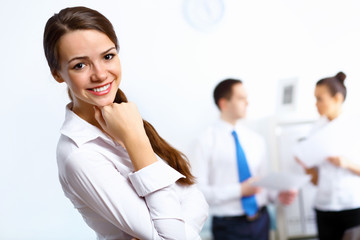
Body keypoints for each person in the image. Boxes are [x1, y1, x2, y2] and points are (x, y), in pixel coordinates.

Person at [43, 6, 208, 240]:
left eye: (108, 56)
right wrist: (135, 140)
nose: (100, 74)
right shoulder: (78, 155)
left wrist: (178, 229)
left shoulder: (124, 118)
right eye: (80, 65)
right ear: (58, 74)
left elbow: (197, 199)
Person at [191, 79, 297, 240]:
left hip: (262, 221)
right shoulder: (204, 141)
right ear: (224, 103)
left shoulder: (256, 140)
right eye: (241, 98)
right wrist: (240, 190)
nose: (247, 103)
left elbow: (263, 184)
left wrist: (277, 196)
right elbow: (199, 193)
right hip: (228, 227)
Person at [295, 72, 360, 240]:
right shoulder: (315, 131)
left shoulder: (354, 127)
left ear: (337, 98)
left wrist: (347, 164)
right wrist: (306, 164)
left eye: (320, 99)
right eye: (315, 99)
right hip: (324, 207)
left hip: (352, 205)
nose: (316, 104)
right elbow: (315, 180)